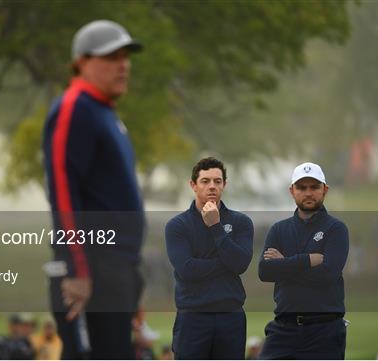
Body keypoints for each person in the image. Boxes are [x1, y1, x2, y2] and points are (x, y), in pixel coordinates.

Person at [43, 19, 145, 359]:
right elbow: (62, 192)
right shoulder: (75, 108)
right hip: (89, 271)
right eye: (111, 57)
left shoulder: (106, 114)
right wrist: (76, 270)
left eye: (125, 56)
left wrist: (131, 281)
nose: (122, 65)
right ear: (81, 62)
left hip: (115, 271)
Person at [258, 162, 349, 359]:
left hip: (325, 330)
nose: (308, 193)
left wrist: (284, 264)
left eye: (314, 187)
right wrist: (307, 260)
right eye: (301, 187)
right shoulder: (278, 230)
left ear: (324, 190)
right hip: (284, 329)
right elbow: (265, 271)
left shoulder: (336, 229)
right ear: (292, 191)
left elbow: (328, 274)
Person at [165, 157, 254, 359]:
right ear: (193, 185)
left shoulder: (241, 222)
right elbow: (187, 270)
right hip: (192, 318)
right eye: (205, 181)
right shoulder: (177, 226)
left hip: (231, 317)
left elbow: (240, 264)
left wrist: (215, 226)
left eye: (217, 181)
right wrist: (226, 262)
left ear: (224, 185)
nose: (212, 186)